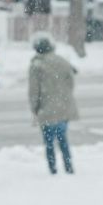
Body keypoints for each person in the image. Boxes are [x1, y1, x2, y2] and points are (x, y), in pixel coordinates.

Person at [27, 33, 79, 175]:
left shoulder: (36, 65)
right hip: (64, 107)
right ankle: (69, 167)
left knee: (49, 142)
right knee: (63, 139)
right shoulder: (62, 61)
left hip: (46, 109)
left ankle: (53, 169)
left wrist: (34, 108)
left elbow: (34, 91)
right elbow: (70, 83)